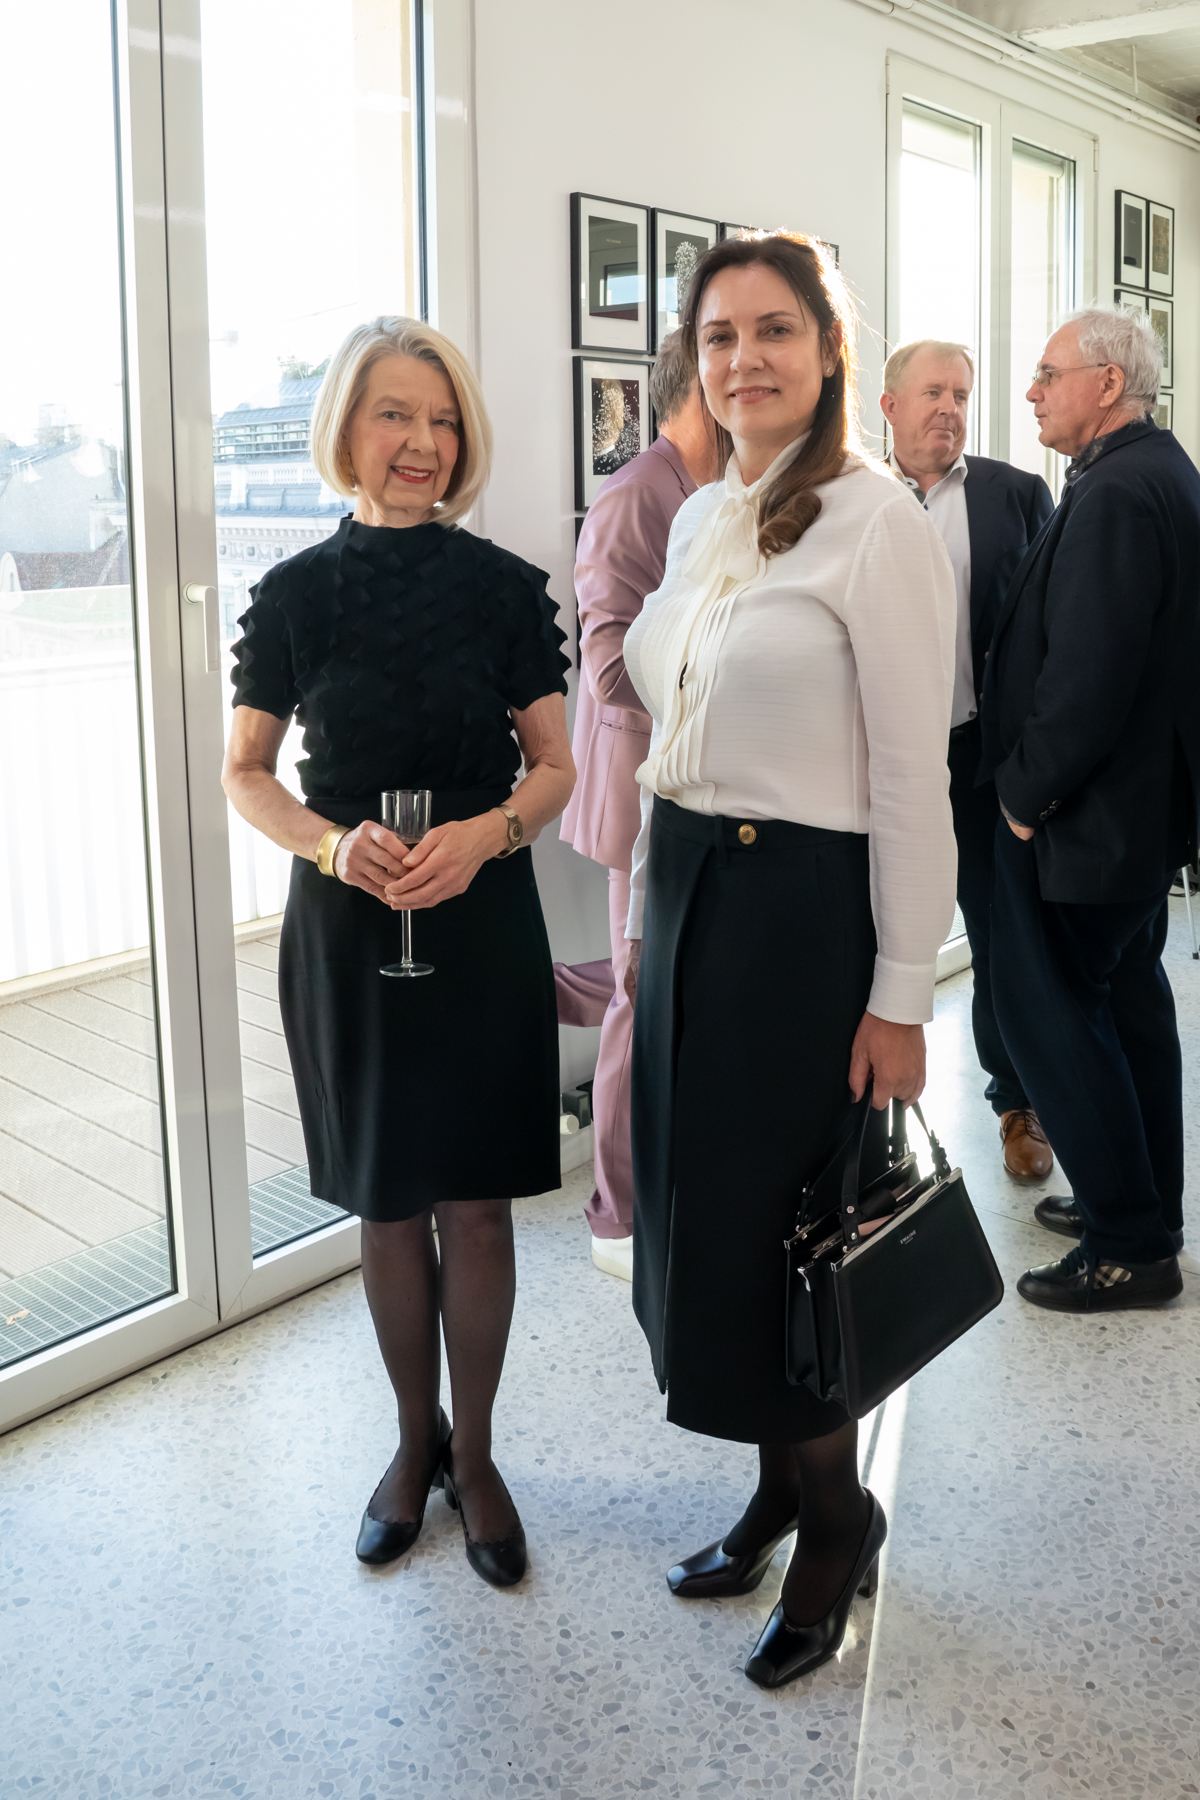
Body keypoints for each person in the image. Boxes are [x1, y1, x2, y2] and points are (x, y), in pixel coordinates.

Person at [623, 234, 957, 1689]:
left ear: (828, 349)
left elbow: (912, 780)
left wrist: (902, 993)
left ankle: (837, 1518)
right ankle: (773, 1487)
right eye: (718, 336)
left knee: (787, 1231)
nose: (743, 358)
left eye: (773, 329)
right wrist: (653, 924)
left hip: (801, 918)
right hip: (695, 897)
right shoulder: (709, 514)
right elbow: (676, 732)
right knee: (709, 1224)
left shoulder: (877, 523)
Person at [222, 316, 573, 1584]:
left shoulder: (504, 589)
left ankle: (474, 1457)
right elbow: (248, 775)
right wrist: (329, 847)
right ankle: (410, 1441)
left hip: (480, 914)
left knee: (475, 1204)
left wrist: (486, 835)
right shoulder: (294, 594)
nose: (423, 442)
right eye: (395, 414)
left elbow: (555, 767)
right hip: (350, 919)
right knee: (386, 1199)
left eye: (442, 419)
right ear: (347, 429)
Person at [981, 305, 1200, 1312]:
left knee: (1056, 1018)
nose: (1031, 392)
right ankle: (1144, 1203)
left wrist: (1024, 796)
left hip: (1089, 818)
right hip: (1136, 817)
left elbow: (1090, 674)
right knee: (1127, 1008)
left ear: (1108, 384)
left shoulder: (1116, 492)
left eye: (1048, 374)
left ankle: (1129, 1244)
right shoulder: (1155, 469)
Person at [557, 331, 718, 1277]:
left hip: (692, 788)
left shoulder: (715, 491)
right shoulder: (635, 495)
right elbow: (610, 671)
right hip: (638, 792)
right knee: (635, 997)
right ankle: (614, 1218)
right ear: (699, 388)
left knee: (656, 987)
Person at [880, 342, 1056, 1182]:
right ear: (889, 406)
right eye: (932, 393)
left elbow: (1052, 634)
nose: (949, 408)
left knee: (998, 935)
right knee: (872, 934)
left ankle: (1016, 1102)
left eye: (960, 393)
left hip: (980, 759)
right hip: (880, 765)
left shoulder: (1014, 495)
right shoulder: (847, 497)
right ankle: (869, 1118)